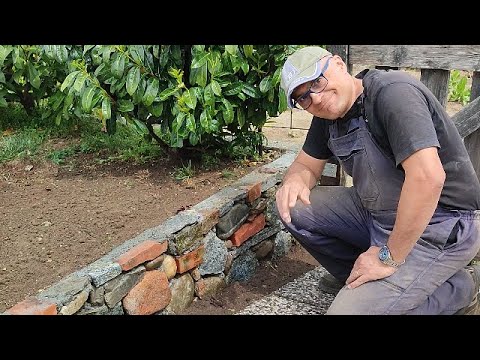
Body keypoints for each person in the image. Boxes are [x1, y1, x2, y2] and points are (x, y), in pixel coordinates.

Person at [276, 46, 480, 314]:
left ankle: (459, 290)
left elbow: (428, 179)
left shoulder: (393, 94)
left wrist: (388, 258)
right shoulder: (327, 114)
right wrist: (293, 180)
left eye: (316, 81)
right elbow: (305, 165)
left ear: (338, 64)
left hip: (440, 223)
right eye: (302, 98)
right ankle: (362, 278)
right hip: (378, 213)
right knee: (293, 207)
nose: (314, 97)